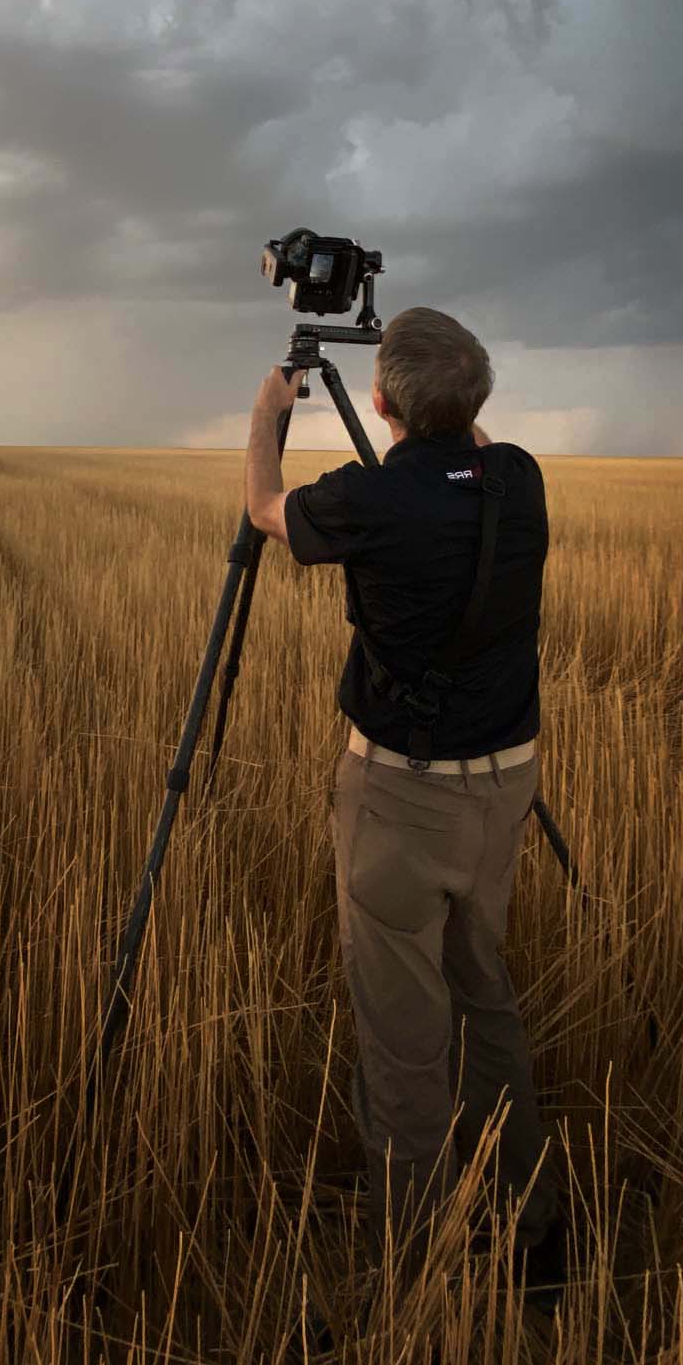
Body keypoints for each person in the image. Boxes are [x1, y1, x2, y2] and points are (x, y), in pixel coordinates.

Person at [244, 305, 567, 1308]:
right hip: (506, 782)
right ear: (478, 404)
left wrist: (268, 408)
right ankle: (532, 1222)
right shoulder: (519, 475)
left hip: (402, 793)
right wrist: (439, 390)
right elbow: (464, 440)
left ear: (379, 403)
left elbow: (265, 507)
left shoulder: (374, 502)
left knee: (403, 1035)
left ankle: (414, 1264)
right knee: (484, 989)